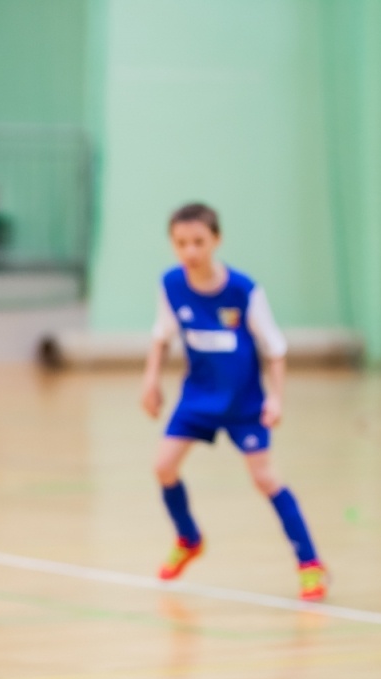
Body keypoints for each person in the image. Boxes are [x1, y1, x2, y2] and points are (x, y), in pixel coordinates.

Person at [140, 202, 327, 600]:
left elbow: (274, 348)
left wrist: (276, 398)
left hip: (244, 403)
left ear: (216, 240)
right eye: (180, 243)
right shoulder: (171, 284)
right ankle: (189, 538)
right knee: (163, 467)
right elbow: (161, 336)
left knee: (265, 479)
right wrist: (151, 380)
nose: (189, 251)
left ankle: (310, 563)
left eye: (198, 242)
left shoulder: (243, 290)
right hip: (197, 398)